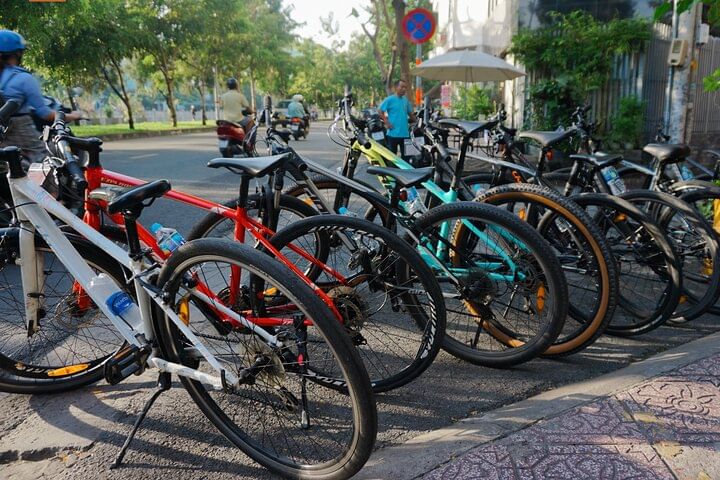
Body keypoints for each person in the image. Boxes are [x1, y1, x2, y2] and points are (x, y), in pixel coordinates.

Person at [0, 30, 82, 166]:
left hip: (3, 138)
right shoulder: (23, 78)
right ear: (18, 54)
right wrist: (74, 115)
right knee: (49, 162)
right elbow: (45, 114)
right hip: (22, 134)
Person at [379, 79, 416, 157]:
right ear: (396, 87)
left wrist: (418, 122)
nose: (404, 89)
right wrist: (386, 122)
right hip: (392, 134)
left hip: (405, 134)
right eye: (402, 87)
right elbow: (380, 111)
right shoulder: (389, 99)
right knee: (393, 158)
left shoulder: (406, 100)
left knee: (408, 157)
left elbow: (411, 114)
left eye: (405, 87)